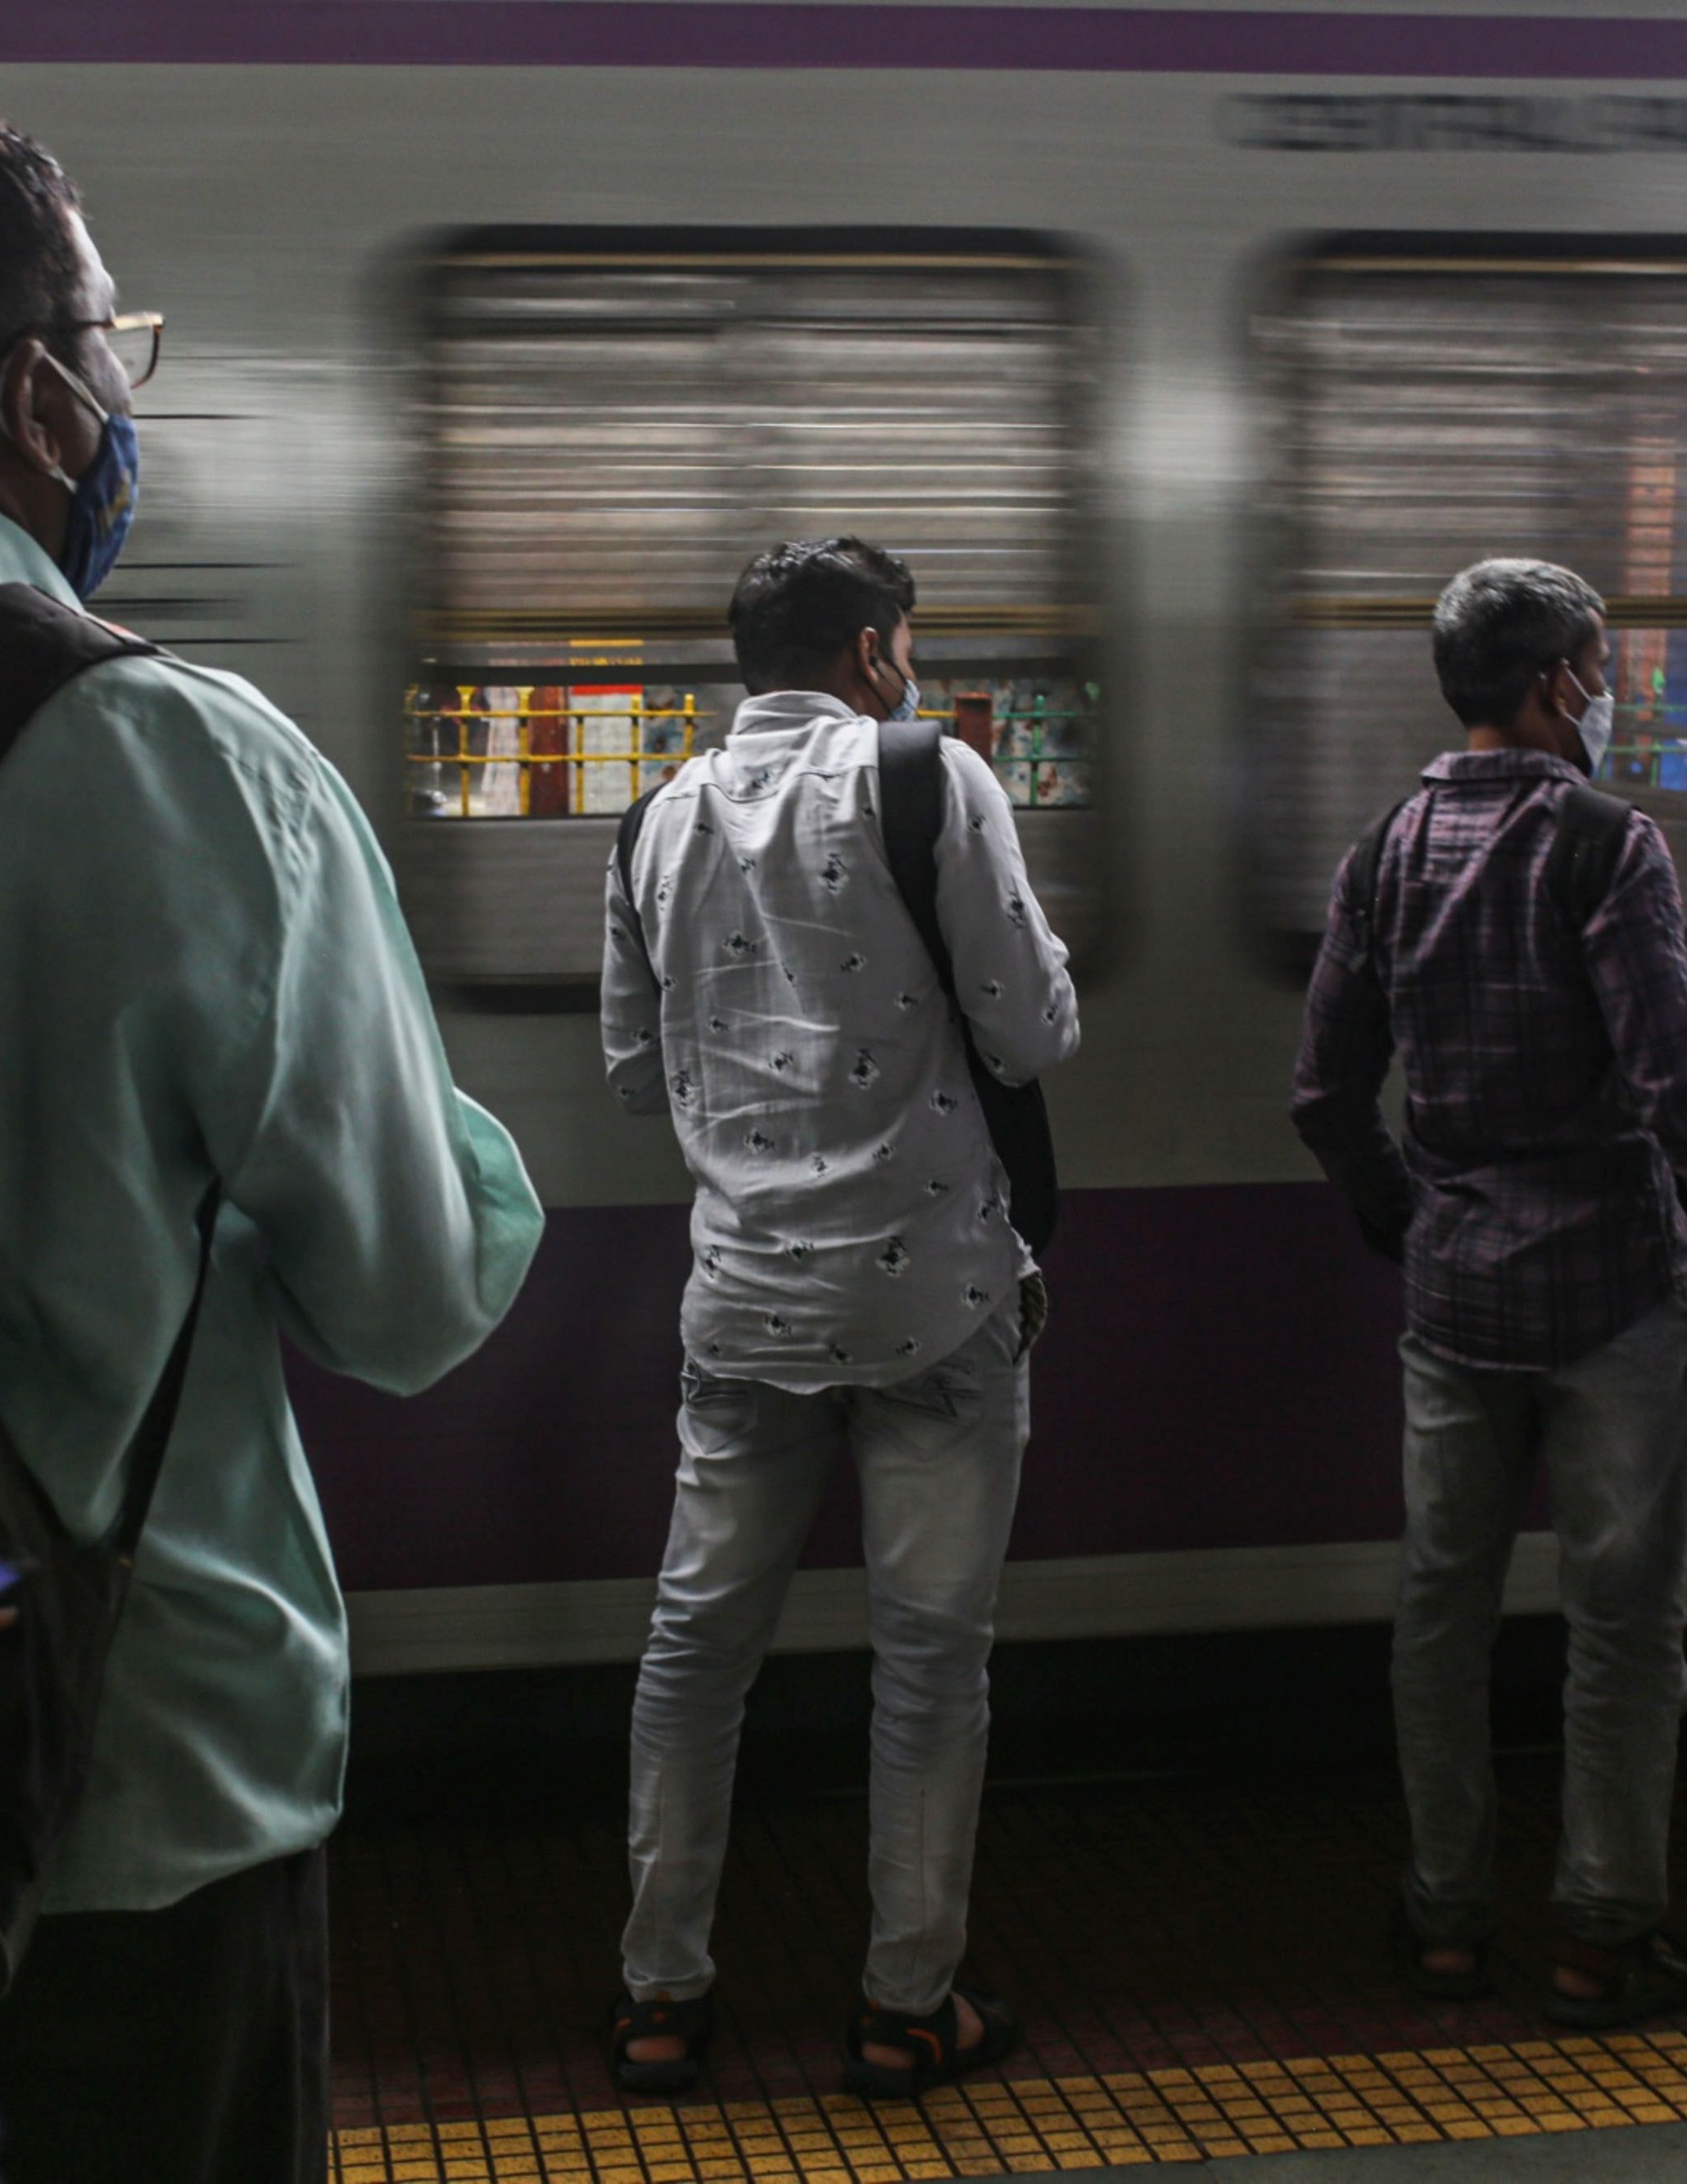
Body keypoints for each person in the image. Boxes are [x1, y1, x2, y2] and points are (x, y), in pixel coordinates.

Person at [0, 104, 545, 2184]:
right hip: (120, 1782)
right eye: (109, 347)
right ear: (34, 395)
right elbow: (409, 1297)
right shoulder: (188, 762)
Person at [1292, 557, 1687, 2031]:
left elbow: (1325, 1091)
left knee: (1440, 1611)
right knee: (1621, 1623)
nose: (1609, 691)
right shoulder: (1606, 844)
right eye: (1599, 665)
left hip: (1455, 1300)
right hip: (1613, 1297)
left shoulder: (1385, 849)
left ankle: (1445, 1919)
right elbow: (1675, 1072)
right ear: (1555, 683)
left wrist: (1417, 1220)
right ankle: (1599, 1933)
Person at [599, 536, 1079, 2101]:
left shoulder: (655, 816)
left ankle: (660, 1996)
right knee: (929, 1664)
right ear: (877, 653)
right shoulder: (931, 777)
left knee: (693, 1651)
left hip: (742, 1301)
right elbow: (1029, 1023)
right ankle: (903, 2006)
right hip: (937, 1298)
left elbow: (630, 1059)